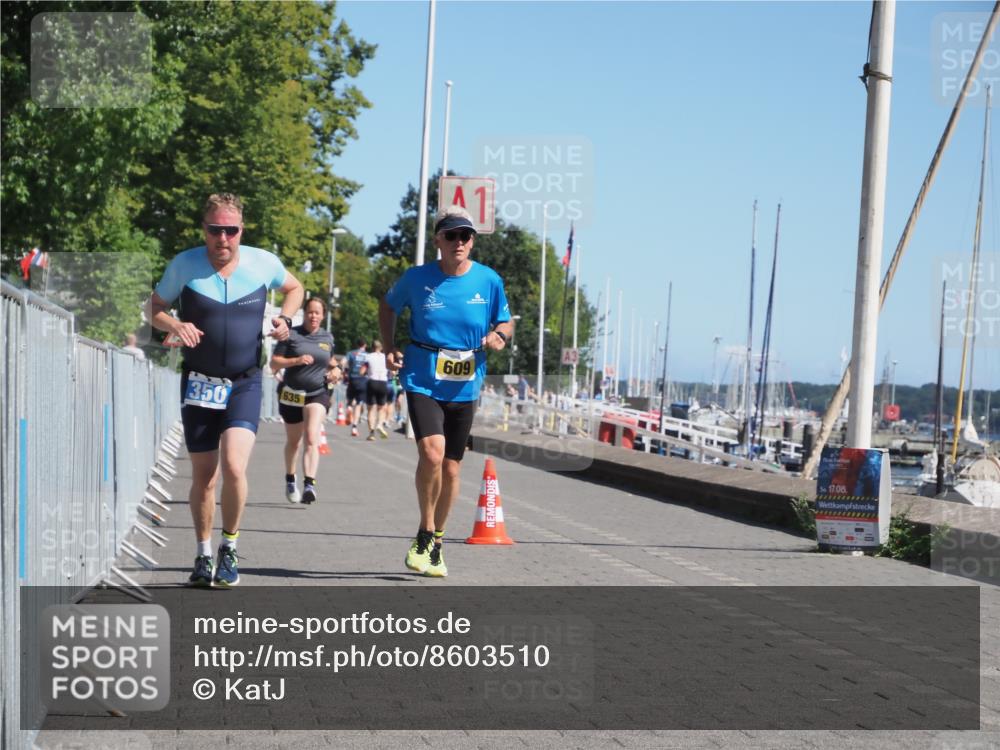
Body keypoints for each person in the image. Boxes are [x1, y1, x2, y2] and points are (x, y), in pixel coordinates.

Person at [146, 193, 303, 587]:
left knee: (234, 465)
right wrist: (173, 325)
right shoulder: (185, 264)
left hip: (245, 381)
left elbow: (295, 288)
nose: (223, 239)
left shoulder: (262, 262)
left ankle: (228, 548)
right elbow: (154, 307)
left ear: (240, 231)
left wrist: (285, 319)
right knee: (205, 476)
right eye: (215, 230)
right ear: (205, 230)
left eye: (230, 230)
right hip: (199, 381)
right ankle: (201, 556)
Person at [379, 206, 513, 578]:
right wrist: (389, 346)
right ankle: (424, 530)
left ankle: (437, 541)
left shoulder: (488, 281)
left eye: (466, 236)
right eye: (451, 235)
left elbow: (505, 319)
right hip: (422, 375)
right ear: (438, 239)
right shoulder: (416, 278)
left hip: (466, 383)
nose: (459, 242)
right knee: (432, 453)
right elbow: (388, 307)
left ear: (472, 242)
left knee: (452, 469)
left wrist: (500, 335)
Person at [270, 297, 341, 504]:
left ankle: (309, 484)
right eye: (310, 312)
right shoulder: (291, 335)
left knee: (312, 437)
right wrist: (296, 360)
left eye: (318, 312)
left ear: (323, 315)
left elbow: (331, 361)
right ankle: (291, 478)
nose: (314, 316)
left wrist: (336, 370)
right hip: (292, 393)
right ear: (304, 313)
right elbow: (274, 363)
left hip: (317, 392)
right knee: (294, 442)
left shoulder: (327, 337)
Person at [364, 340, 390, 440]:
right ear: (381, 347)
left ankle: (371, 433)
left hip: (372, 381)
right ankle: (379, 424)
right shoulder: (385, 357)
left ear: (372, 347)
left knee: (370, 408)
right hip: (383, 382)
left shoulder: (369, 356)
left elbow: (363, 370)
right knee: (382, 407)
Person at [345, 338, 369, 437]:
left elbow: (343, 362)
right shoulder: (368, 355)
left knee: (350, 400)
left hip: (352, 379)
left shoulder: (351, 353)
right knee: (359, 404)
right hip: (363, 380)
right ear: (365, 345)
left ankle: (349, 408)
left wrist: (344, 372)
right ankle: (354, 427)